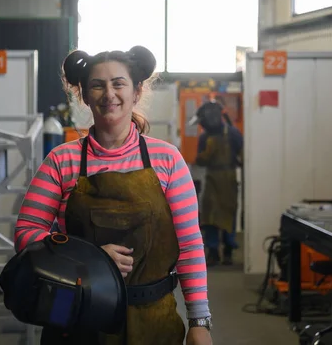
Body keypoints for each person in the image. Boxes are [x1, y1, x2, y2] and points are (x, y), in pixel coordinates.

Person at [13, 45, 213, 345]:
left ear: (136, 91)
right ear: (84, 95)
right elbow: (25, 234)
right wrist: (88, 259)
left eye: (118, 83)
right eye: (97, 85)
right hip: (75, 313)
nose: (109, 94)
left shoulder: (167, 159)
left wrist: (199, 320)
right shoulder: (61, 160)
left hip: (152, 318)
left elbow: (189, 245)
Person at [194, 99, 243, 266]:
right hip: (212, 178)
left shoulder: (233, 134)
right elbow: (200, 161)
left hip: (228, 178)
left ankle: (228, 250)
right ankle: (213, 251)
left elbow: (243, 156)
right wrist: (207, 153)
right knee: (210, 216)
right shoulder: (205, 137)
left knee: (228, 213)